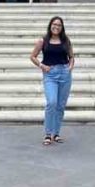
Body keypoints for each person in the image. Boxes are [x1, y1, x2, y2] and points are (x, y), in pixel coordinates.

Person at [29, 16, 75, 146]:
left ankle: (56, 133)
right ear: (50, 26)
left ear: (62, 27)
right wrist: (42, 65)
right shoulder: (43, 41)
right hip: (50, 74)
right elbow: (32, 56)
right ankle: (48, 133)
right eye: (54, 24)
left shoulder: (66, 41)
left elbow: (71, 57)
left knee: (60, 105)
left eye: (59, 25)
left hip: (64, 74)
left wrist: (70, 67)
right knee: (52, 102)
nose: (56, 27)